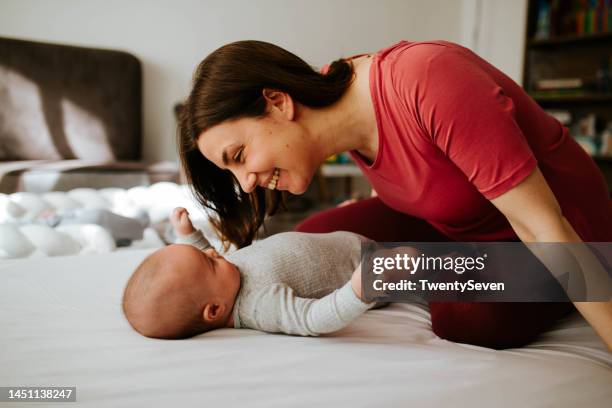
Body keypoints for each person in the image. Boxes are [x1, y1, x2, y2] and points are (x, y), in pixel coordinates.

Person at [176, 39, 612, 350]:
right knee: (312, 237)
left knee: (467, 317)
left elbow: (542, 225)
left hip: (555, 227)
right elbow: (411, 170)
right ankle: (452, 265)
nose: (246, 182)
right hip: (462, 220)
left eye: (239, 155)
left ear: (277, 101)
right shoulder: (336, 94)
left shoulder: (429, 80)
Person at [122, 207, 376, 339]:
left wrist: (190, 236)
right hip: (374, 269)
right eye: (208, 262)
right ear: (214, 311)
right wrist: (358, 291)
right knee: (415, 269)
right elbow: (312, 319)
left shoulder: (223, 280)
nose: (213, 254)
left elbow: (203, 270)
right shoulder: (260, 305)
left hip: (346, 242)